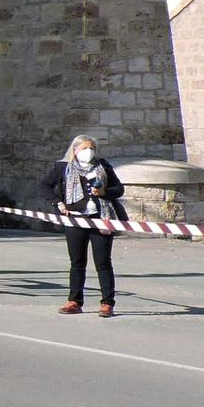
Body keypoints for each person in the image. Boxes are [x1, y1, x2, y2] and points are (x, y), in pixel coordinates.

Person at [39, 134, 124, 317]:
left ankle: (107, 303)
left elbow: (118, 189)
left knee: (103, 262)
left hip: (100, 217)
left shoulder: (102, 165)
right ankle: (74, 301)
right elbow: (44, 186)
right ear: (75, 150)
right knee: (77, 262)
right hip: (75, 219)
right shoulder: (63, 167)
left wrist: (104, 191)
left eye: (92, 148)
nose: (89, 152)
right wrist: (58, 203)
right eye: (84, 148)